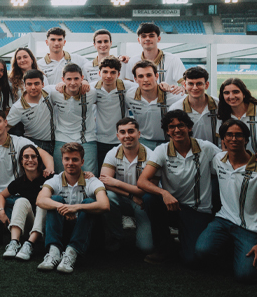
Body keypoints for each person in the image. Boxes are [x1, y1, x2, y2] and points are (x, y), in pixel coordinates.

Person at [138, 110, 221, 266]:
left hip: (197, 210)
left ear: (189, 127)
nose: (176, 130)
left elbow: (228, 162)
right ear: (167, 131)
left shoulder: (206, 148)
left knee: (192, 260)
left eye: (181, 125)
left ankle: (185, 239)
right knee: (149, 198)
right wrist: (164, 193)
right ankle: (165, 249)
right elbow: (142, 181)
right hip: (173, 206)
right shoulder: (162, 150)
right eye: (171, 127)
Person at [195, 119, 257, 284]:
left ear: (246, 139)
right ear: (223, 139)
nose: (234, 139)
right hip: (223, 219)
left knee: (245, 277)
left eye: (239, 135)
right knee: (202, 251)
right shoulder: (219, 159)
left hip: (250, 228)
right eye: (229, 135)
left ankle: (242, 254)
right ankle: (234, 252)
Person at [36, 142, 109, 273]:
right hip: (63, 230)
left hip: (87, 234)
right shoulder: (55, 180)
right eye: (67, 159)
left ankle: (71, 253)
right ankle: (54, 252)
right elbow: (40, 200)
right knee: (54, 199)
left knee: (88, 203)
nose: (70, 163)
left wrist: (76, 208)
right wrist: (63, 207)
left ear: (82, 162)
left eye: (75, 159)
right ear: (62, 160)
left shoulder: (92, 181)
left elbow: (105, 205)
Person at [0, 109, 54, 218]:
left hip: (18, 192)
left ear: (5, 123)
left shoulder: (20, 142)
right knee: (5, 221)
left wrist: (49, 168)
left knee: (26, 219)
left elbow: (45, 154)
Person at [99, 117, 154, 254]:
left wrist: (117, 182)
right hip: (123, 198)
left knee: (146, 248)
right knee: (107, 196)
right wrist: (130, 195)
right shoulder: (112, 153)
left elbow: (144, 190)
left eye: (131, 131)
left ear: (139, 134)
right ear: (118, 136)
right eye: (122, 132)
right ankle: (117, 236)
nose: (127, 136)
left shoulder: (151, 156)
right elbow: (105, 182)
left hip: (143, 202)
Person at [0, 145, 47, 261]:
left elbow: (67, 177)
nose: (30, 160)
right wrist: (1, 212)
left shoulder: (48, 177)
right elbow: (1, 195)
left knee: (42, 201)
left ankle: (29, 245)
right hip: (30, 226)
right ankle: (14, 243)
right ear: (21, 161)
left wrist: (86, 175)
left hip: (47, 227)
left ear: (38, 160)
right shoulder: (19, 182)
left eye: (33, 157)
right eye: (26, 157)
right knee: (21, 200)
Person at [49, 64, 99, 173]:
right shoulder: (54, 93)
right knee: (60, 175)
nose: (72, 82)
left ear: (82, 78)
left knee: (90, 175)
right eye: (69, 79)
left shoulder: (92, 92)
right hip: (62, 138)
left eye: (76, 78)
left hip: (87, 139)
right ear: (63, 80)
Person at [93, 56, 139, 171]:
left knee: (121, 173)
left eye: (113, 72)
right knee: (101, 174)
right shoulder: (91, 88)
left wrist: (165, 85)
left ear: (118, 74)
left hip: (121, 140)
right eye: (105, 72)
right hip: (98, 140)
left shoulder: (128, 87)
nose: (109, 76)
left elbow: (147, 86)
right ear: (99, 73)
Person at [128, 60, 180, 150]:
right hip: (143, 142)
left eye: (149, 75)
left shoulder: (173, 96)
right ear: (135, 79)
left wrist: (184, 88)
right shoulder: (129, 95)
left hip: (169, 142)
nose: (145, 80)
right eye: (141, 76)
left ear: (156, 76)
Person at [124, 22, 186, 92]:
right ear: (139, 40)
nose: (147, 39)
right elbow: (128, 87)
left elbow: (186, 83)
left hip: (167, 101)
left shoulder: (173, 59)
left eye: (151, 36)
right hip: (141, 102)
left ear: (158, 39)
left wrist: (183, 88)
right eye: (144, 36)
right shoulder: (133, 61)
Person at [7, 69, 55, 154]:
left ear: (43, 84)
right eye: (29, 84)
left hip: (57, 141)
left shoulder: (50, 92)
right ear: (24, 85)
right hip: (35, 143)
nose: (33, 87)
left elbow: (65, 86)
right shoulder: (18, 107)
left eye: (36, 84)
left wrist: (84, 82)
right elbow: (5, 127)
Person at [171, 66, 220, 145]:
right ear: (185, 85)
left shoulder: (219, 105)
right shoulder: (176, 108)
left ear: (206, 85)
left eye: (199, 84)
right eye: (191, 84)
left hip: (215, 154)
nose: (195, 88)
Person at [217, 78, 257, 152]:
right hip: (234, 161)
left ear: (244, 94)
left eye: (236, 92)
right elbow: (223, 145)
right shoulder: (222, 116)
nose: (231, 96)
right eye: (226, 93)